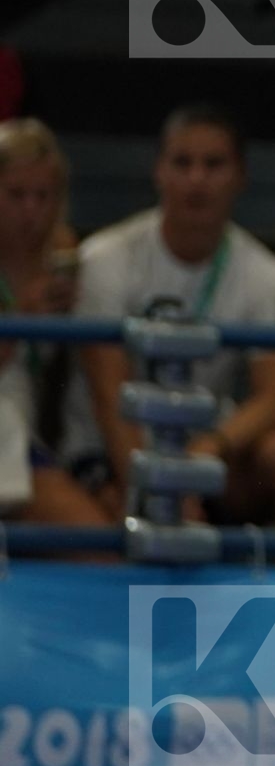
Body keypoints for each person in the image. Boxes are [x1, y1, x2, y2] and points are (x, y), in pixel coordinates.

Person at [62, 106, 275, 530]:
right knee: (115, 532)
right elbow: (107, 391)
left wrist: (206, 451)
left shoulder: (269, 277)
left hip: (204, 449)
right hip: (106, 448)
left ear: (240, 176)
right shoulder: (105, 259)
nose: (197, 179)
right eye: (182, 163)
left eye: (213, 164)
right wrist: (153, 486)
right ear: (159, 172)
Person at [0, 119, 107, 525]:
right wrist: (21, 318)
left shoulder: (62, 255)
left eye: (43, 196)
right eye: (16, 195)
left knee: (100, 539)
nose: (31, 210)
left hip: (31, 435)